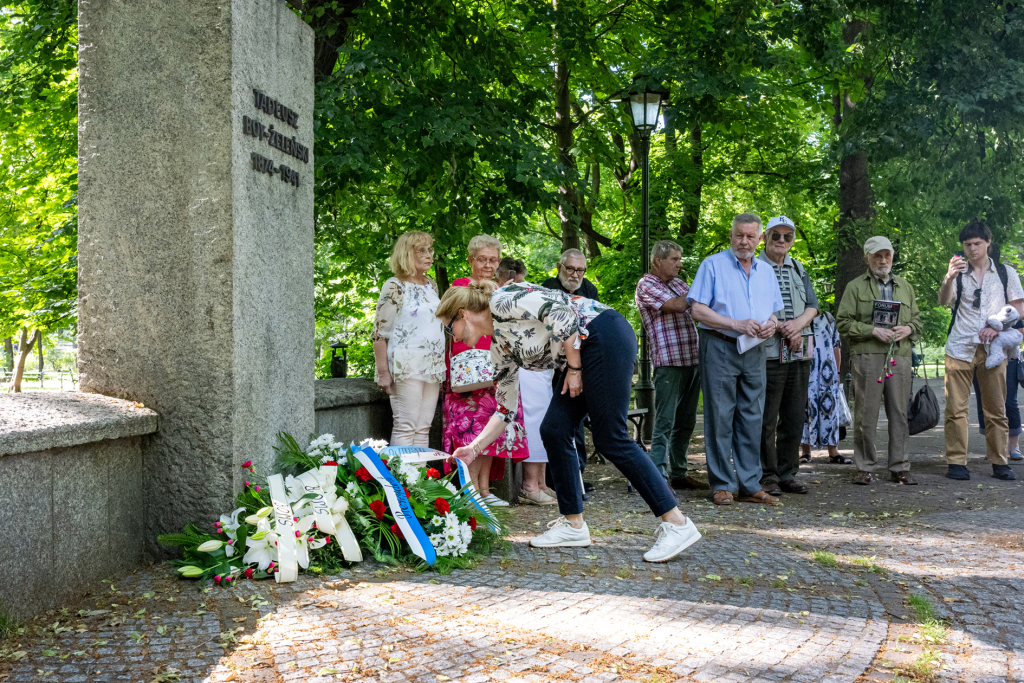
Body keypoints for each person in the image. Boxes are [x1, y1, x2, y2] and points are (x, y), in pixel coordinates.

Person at [436, 280, 701, 562]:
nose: (452, 336)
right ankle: (573, 524)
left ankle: (677, 523)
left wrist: (575, 369)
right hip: (579, 351)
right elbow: (505, 410)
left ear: (463, 314)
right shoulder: (500, 347)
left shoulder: (502, 301)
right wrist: (473, 448)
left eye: (449, 328)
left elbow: (562, 313)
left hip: (603, 333)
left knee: (611, 438)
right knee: (554, 429)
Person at [687, 213, 783, 506]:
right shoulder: (712, 265)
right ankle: (722, 484)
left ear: (760, 238)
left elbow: (774, 312)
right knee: (720, 416)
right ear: (731, 235)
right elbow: (697, 311)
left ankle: (750, 484)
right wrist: (735, 324)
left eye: (750, 237)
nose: (744, 241)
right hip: (719, 345)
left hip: (755, 349)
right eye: (739, 235)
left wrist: (773, 324)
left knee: (753, 416)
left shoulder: (767, 272)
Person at [443, 235, 529, 506]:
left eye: (494, 260)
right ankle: (469, 491)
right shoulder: (460, 287)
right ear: (470, 260)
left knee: (492, 426)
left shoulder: (502, 290)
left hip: (496, 366)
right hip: (469, 368)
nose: (489, 265)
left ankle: (484, 490)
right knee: (470, 428)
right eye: (482, 259)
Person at [937, 221, 1024, 481]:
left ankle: (1000, 461)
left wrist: (997, 329)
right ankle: (956, 462)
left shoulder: (1006, 273)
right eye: (967, 245)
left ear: (988, 242)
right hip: (959, 347)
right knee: (955, 409)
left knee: (996, 409)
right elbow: (943, 301)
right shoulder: (958, 273)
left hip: (993, 348)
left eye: (977, 243)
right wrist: (949, 277)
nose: (972, 249)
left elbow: (1019, 310)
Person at [836, 236, 922, 485]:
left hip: (900, 356)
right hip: (867, 356)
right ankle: (865, 467)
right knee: (866, 413)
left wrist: (908, 329)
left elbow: (917, 320)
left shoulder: (905, 286)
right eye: (877, 255)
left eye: (887, 255)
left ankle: (900, 467)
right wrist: (872, 330)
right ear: (867, 258)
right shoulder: (855, 287)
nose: (883, 260)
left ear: (892, 257)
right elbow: (843, 322)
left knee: (899, 413)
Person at [635, 239, 707, 491]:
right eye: (674, 259)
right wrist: (704, 286)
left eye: (679, 259)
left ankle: (679, 472)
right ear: (657, 260)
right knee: (665, 421)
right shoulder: (647, 284)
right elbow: (678, 305)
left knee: (686, 422)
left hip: (692, 359)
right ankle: (658, 476)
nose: (679, 264)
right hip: (669, 362)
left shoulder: (678, 284)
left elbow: (700, 307)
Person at [756, 216, 819, 496]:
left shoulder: (798, 268)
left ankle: (787, 473)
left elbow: (812, 306)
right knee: (766, 418)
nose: (782, 241)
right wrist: (782, 326)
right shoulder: (754, 267)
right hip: (768, 352)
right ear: (765, 237)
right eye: (776, 236)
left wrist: (797, 325)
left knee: (794, 416)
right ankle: (766, 475)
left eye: (788, 237)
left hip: (798, 351)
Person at [372, 231, 446, 447]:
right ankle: (401, 481)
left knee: (424, 428)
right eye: (421, 250)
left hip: (432, 365)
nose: (428, 255)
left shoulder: (431, 284)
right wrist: (383, 373)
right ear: (406, 253)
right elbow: (379, 333)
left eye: (430, 250)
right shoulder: (395, 286)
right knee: (406, 426)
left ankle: (419, 481)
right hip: (406, 364)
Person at [496, 258, 556, 505]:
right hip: (520, 361)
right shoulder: (497, 294)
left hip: (537, 360)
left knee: (542, 418)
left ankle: (540, 481)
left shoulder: (530, 290)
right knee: (532, 418)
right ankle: (530, 484)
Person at [542, 248, 597, 490]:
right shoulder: (547, 288)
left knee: (578, 418)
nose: (575, 275)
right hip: (553, 364)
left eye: (580, 270)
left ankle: (578, 474)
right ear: (559, 267)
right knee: (556, 420)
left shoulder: (590, 291)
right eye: (570, 269)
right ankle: (555, 478)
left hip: (580, 363)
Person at [801, 312, 851, 464]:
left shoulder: (828, 318)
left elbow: (836, 345)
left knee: (830, 411)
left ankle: (833, 452)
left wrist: (837, 373)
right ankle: (805, 451)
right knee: (805, 409)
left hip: (827, 374)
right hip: (805, 371)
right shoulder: (797, 318)